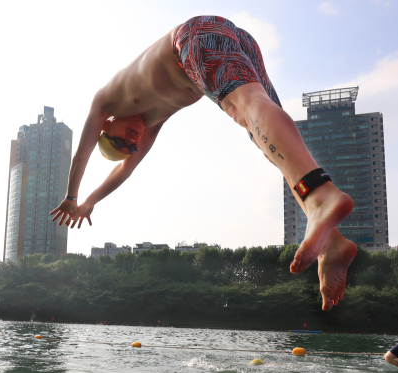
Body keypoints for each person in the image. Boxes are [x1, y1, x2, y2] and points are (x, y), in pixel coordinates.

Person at [49, 16, 357, 311]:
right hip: (239, 43)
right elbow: (126, 169)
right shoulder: (150, 126)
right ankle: (330, 241)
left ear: (106, 126)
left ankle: (321, 194)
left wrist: (73, 196)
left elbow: (82, 154)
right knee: (265, 139)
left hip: (196, 37)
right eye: (130, 147)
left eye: (119, 141)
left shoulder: (104, 102)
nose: (132, 142)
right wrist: (93, 202)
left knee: (246, 108)